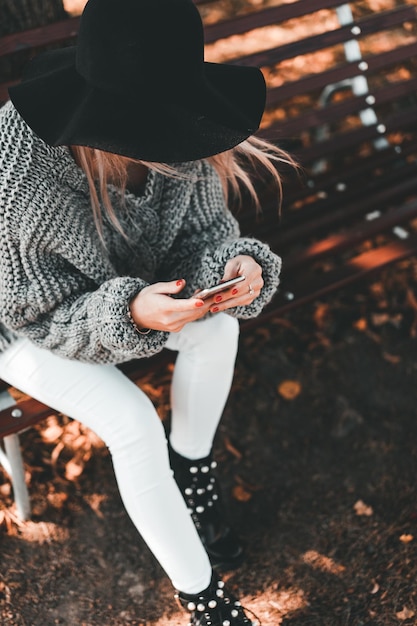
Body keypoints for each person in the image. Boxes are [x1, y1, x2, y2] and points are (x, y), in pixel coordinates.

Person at [0, 0, 291, 623]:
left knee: (218, 329)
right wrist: (129, 313)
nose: (174, 143)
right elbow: (34, 314)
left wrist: (234, 269)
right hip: (16, 321)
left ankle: (193, 473)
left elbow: (205, 233)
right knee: (132, 420)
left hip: (122, 295)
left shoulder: (181, 120)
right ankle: (205, 600)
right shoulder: (20, 172)